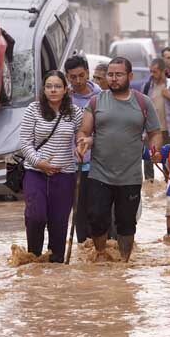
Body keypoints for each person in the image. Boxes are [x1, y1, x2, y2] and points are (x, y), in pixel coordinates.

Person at [76, 57, 162, 262]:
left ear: (130, 76)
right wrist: (82, 142)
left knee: (126, 223)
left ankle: (124, 262)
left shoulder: (143, 102)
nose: (114, 79)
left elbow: (155, 132)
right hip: (99, 173)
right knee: (97, 219)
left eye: (119, 74)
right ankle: (101, 255)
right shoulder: (96, 101)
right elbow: (84, 130)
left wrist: (155, 148)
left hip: (130, 175)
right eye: (111, 75)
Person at [19, 70, 83, 263]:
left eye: (57, 86)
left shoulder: (75, 113)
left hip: (64, 176)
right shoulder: (33, 109)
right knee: (35, 216)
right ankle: (34, 259)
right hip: (35, 173)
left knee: (59, 223)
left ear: (65, 90)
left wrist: (80, 146)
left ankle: (55, 267)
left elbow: (82, 134)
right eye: (49, 86)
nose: (53, 90)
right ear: (44, 89)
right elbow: (24, 142)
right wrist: (40, 163)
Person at [65, 55, 101, 243]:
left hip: (97, 164)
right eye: (73, 77)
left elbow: (105, 130)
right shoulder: (63, 99)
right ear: (67, 77)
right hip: (71, 165)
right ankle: (83, 251)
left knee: (97, 212)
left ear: (88, 72)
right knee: (78, 213)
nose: (78, 81)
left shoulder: (101, 97)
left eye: (81, 75)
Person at [143, 58, 170, 145]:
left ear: (163, 71)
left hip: (168, 132)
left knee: (168, 158)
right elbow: (142, 110)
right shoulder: (147, 87)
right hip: (151, 132)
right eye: (151, 71)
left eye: (155, 72)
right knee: (149, 158)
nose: (152, 74)